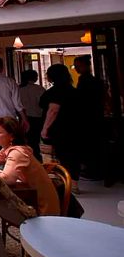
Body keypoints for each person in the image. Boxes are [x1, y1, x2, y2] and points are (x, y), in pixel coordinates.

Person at [0, 117, 59, 257]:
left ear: (12, 136)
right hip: (30, 202)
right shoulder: (12, 149)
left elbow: (8, 179)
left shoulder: (18, 152)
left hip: (40, 212)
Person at [40, 63, 82, 192]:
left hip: (58, 128)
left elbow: (53, 110)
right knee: (73, 154)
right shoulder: (72, 90)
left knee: (57, 155)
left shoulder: (56, 91)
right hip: (75, 126)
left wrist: (45, 128)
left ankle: (59, 182)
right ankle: (73, 183)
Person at [73, 55, 106, 180]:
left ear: (86, 66)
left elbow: (81, 100)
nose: (76, 68)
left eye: (78, 66)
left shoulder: (86, 80)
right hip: (95, 116)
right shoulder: (92, 80)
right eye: (75, 66)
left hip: (88, 118)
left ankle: (93, 171)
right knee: (93, 145)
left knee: (91, 146)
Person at [18, 70, 46, 161]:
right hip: (37, 118)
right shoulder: (40, 89)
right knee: (35, 141)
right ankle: (37, 159)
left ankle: (27, 158)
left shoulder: (19, 89)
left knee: (25, 141)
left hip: (24, 118)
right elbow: (43, 105)